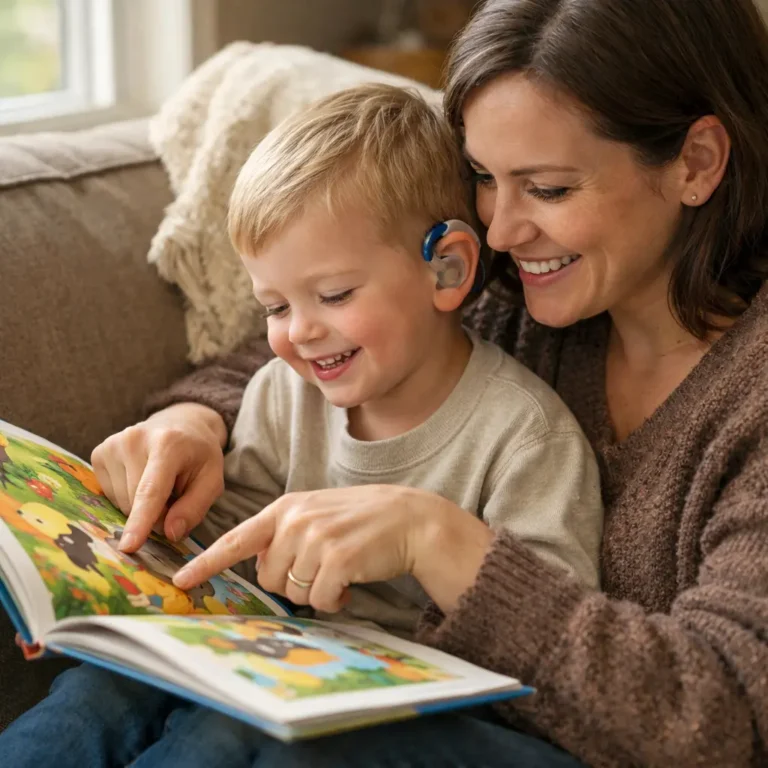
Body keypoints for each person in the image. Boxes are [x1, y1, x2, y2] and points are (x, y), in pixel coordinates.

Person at [5, 0, 768, 765]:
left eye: (549, 188)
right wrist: (194, 423)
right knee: (106, 690)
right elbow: (295, 352)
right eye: (482, 178)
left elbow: (727, 720)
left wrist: (434, 539)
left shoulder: (736, 397)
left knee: (253, 739)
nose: (500, 232)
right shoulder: (518, 291)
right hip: (320, 663)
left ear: (696, 163)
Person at [0, 84, 602, 767]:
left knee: (223, 735)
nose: (300, 333)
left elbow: (551, 643)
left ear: (448, 267)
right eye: (276, 305)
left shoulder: (526, 437)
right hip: (268, 655)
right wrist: (97, 600)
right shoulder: (285, 393)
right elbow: (227, 539)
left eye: (335, 295)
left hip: (407, 710)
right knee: (99, 691)